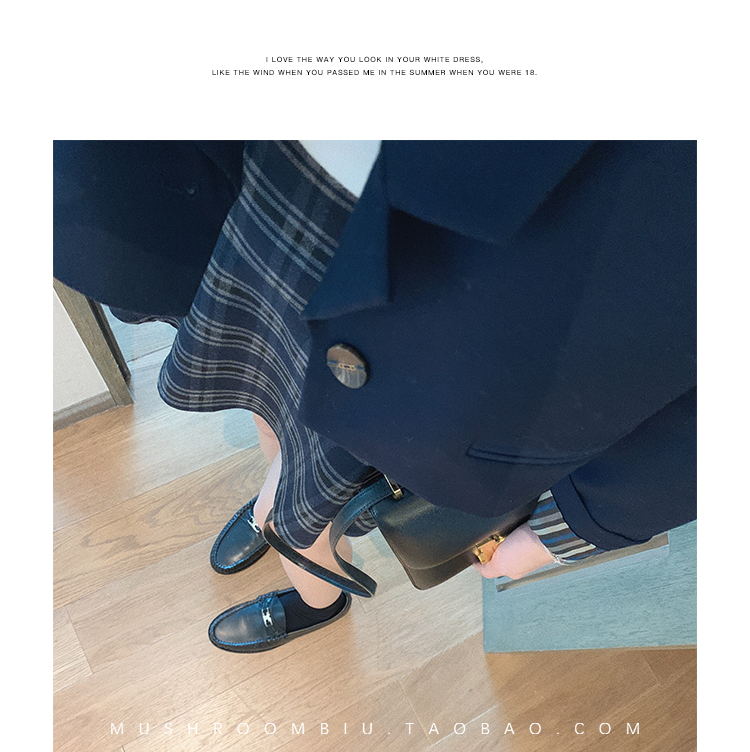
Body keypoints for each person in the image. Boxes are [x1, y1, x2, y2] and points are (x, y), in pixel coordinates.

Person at [55, 140, 696, 654]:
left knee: (317, 483)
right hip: (273, 185)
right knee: (261, 384)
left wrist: (576, 527)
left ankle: (317, 593)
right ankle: (278, 501)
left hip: (432, 296)